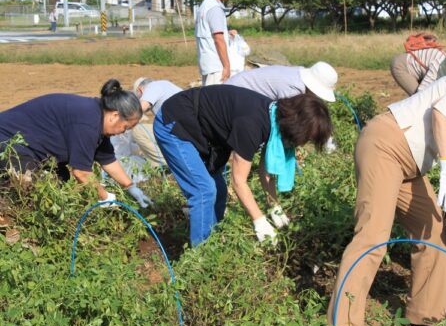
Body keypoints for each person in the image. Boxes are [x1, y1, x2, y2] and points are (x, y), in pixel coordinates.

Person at [327, 65, 446, 326]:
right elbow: (443, 111)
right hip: (387, 144)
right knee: (372, 237)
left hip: (412, 163)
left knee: (432, 229)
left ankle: (427, 315)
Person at [153, 85, 332, 247]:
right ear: (297, 126)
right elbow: (238, 181)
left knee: (219, 191)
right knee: (204, 191)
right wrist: (259, 220)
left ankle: (213, 240)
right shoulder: (253, 124)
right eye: (306, 138)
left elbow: (266, 170)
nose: (302, 143)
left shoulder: (275, 118)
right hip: (175, 122)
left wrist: (274, 207)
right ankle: (199, 257)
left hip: (207, 132)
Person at [0, 79, 152, 208]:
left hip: (32, 150)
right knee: (27, 188)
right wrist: (104, 197)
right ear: (114, 116)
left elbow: (108, 160)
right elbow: (81, 172)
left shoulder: (98, 119)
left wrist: (131, 187)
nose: (124, 132)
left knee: (61, 180)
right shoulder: (88, 122)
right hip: (7, 141)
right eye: (126, 127)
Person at [225, 61, 338, 221]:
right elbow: (274, 146)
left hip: (245, 101)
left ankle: (272, 205)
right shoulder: (292, 92)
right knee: (242, 162)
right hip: (233, 101)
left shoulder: (299, 80)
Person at [128, 77, 183, 167]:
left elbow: (139, 110)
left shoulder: (152, 87)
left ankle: (168, 163)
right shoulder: (167, 84)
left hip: (178, 131)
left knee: (138, 130)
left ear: (140, 90)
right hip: (184, 128)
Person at [195, 0, 236, 86]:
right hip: (217, 65)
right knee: (215, 100)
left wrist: (227, 33)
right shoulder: (215, 8)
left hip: (208, 63)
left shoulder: (204, 6)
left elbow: (210, 32)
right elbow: (218, 39)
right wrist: (226, 66)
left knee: (208, 98)